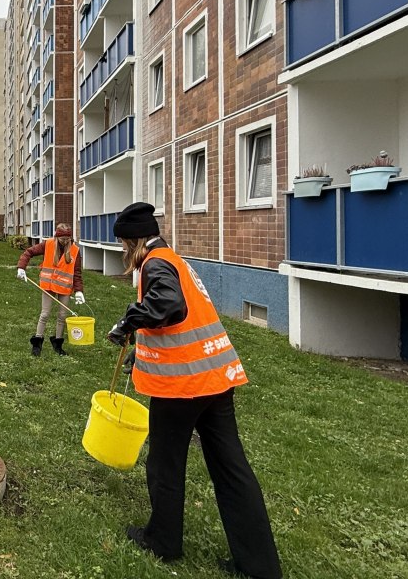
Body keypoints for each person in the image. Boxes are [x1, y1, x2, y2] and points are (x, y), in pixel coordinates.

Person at [105, 202, 281, 579]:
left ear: (133, 240)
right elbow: (177, 322)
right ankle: (259, 565)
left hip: (182, 387)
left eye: (122, 243)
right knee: (232, 470)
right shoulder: (175, 260)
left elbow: (167, 304)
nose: (122, 251)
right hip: (217, 378)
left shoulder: (154, 263)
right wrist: (141, 347)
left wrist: (127, 321)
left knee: (165, 465)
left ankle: (164, 541)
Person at [15, 223, 84, 356]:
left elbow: (77, 273)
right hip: (48, 286)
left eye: (67, 239)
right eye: (62, 239)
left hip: (65, 287)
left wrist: (79, 291)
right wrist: (21, 267)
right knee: (45, 314)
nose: (65, 242)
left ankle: (58, 344)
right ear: (57, 237)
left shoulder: (75, 250)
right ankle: (37, 342)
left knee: (62, 316)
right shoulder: (47, 245)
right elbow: (28, 252)